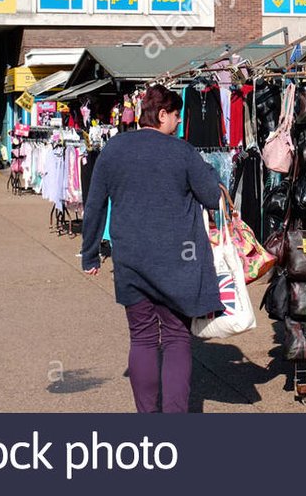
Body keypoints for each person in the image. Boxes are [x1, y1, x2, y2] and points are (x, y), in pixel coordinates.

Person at [80, 84, 223, 413]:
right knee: (176, 337)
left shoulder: (114, 148)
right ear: (161, 115)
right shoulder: (182, 151)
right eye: (176, 115)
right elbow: (212, 196)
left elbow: (94, 205)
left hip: (130, 260)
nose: (179, 122)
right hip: (178, 262)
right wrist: (209, 169)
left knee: (142, 337)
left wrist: (90, 254)